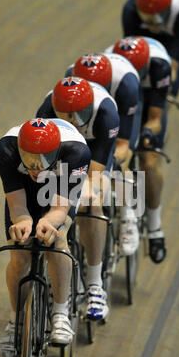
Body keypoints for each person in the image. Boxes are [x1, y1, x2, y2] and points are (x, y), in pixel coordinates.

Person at [0, 117, 91, 357]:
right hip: (25, 188)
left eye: (43, 161)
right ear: (20, 151)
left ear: (55, 153)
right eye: (30, 161)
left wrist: (50, 223)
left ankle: (60, 313)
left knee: (57, 243)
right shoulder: (5, 149)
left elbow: (60, 208)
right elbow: (17, 204)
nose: (36, 168)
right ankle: (15, 320)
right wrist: (23, 221)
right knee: (19, 253)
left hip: (60, 183)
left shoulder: (76, 153)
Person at [36, 77, 120, 320]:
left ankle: (95, 286)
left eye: (77, 115)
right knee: (51, 204)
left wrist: (84, 192)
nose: (72, 120)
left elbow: (93, 175)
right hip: (64, 151)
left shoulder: (105, 112)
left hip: (94, 149)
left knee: (92, 201)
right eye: (66, 115)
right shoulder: (46, 109)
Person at [65, 52, 141, 256]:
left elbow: (122, 143)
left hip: (115, 117)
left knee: (120, 160)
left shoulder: (126, 86)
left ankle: (128, 215)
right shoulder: (70, 81)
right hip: (86, 117)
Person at [107, 36, 171, 263]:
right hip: (121, 99)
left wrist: (147, 133)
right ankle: (122, 207)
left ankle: (155, 228)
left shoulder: (160, 67)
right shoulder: (110, 67)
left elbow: (155, 118)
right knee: (120, 152)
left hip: (148, 96)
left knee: (148, 160)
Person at [122, 0, 179, 99]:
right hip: (143, 30)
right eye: (147, 17)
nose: (152, 24)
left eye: (155, 18)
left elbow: (174, 63)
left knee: (170, 81)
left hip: (174, 35)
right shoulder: (130, 9)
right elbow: (129, 50)